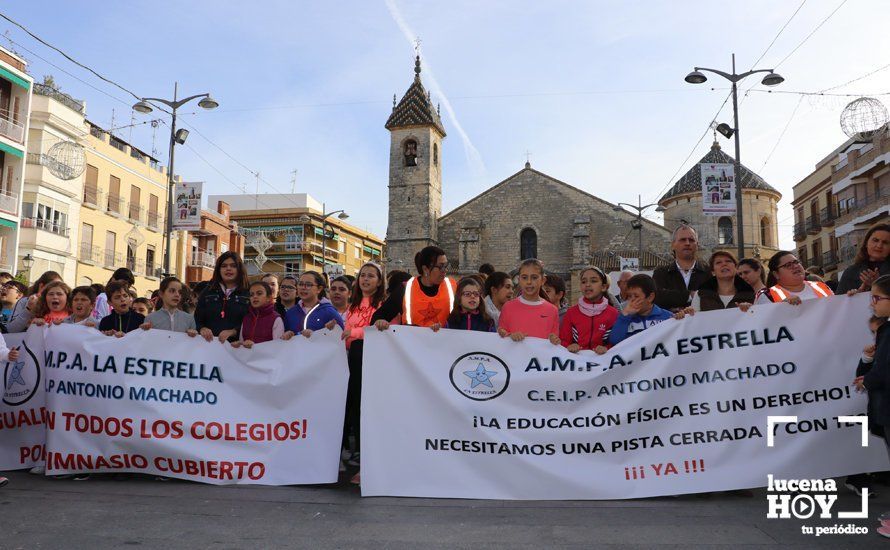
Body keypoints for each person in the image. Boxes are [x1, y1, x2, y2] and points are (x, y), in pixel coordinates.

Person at [342, 262, 386, 485]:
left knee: (364, 406)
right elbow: (345, 332)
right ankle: (354, 447)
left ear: (379, 281)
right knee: (351, 405)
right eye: (362, 276)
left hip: (371, 361)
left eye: (371, 276)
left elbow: (384, 329)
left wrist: (355, 333)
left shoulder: (383, 304)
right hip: (351, 359)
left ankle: (365, 451)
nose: (366, 279)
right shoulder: (353, 305)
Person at [855, 275, 890, 536]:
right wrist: (867, 364)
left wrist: (868, 379)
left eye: (877, 298)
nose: (872, 304)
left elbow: (886, 370)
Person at [373, 246, 457, 330]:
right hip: (412, 341)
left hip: (444, 341)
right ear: (425, 269)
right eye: (440, 266)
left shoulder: (452, 286)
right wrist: (380, 321)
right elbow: (379, 316)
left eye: (446, 266)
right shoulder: (405, 289)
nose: (445, 270)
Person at [497, 259, 560, 344]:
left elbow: (555, 340)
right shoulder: (508, 307)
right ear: (519, 280)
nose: (529, 282)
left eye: (534, 277)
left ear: (542, 280)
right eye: (524, 277)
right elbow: (501, 334)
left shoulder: (552, 310)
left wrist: (554, 340)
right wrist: (510, 335)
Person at [194, 251, 251, 343]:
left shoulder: (248, 293)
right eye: (224, 266)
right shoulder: (207, 291)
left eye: (233, 266)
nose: (228, 269)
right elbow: (197, 319)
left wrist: (234, 331)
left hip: (237, 348)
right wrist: (202, 328)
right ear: (218, 269)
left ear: (240, 269)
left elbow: (253, 322)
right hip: (209, 346)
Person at [560, 266, 618, 353]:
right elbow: (563, 341)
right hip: (577, 363)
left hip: (602, 364)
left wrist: (607, 348)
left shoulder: (613, 313)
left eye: (593, 281)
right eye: (583, 282)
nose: (587, 285)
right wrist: (569, 346)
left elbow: (617, 343)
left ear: (604, 287)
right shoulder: (571, 312)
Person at [652, 225, 709, 311]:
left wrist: (673, 299)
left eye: (691, 240)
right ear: (673, 245)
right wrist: (691, 295)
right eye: (682, 240)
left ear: (697, 245)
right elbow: (658, 297)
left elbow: (711, 298)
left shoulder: (708, 272)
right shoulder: (661, 273)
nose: (687, 243)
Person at [609, 274, 675, 345]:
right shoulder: (624, 318)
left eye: (636, 296)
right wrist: (625, 315)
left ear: (650, 297)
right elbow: (614, 341)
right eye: (629, 296)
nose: (632, 300)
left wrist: (681, 317)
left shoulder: (668, 317)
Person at [756, 251, 834, 305]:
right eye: (788, 265)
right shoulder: (767, 296)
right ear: (776, 274)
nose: (795, 266)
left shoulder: (821, 286)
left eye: (796, 262)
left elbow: (837, 308)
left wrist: (846, 300)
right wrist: (781, 308)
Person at [283, 271, 343, 337]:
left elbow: (340, 340)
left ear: (319, 289)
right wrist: (287, 335)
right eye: (300, 284)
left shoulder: (330, 313)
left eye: (308, 285)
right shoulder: (291, 313)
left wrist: (316, 336)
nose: (303, 288)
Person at [838, 223, 890, 294]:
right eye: (875, 240)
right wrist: (855, 296)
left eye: (885, 242)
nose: (879, 245)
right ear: (866, 243)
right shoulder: (851, 272)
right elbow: (840, 302)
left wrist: (878, 285)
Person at [234, 281, 284, 347]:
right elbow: (242, 341)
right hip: (247, 357)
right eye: (251, 294)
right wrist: (239, 345)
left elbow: (278, 347)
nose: (255, 297)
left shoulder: (276, 319)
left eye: (259, 293)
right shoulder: (246, 318)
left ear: (268, 298)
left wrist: (254, 346)